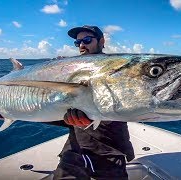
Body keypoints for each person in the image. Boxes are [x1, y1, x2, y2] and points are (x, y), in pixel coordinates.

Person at [47, 25, 135, 179]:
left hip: (109, 152)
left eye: (87, 40)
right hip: (75, 150)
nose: (82, 45)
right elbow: (58, 111)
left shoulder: (115, 69)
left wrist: (88, 117)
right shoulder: (73, 71)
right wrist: (8, 112)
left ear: (101, 41)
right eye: (78, 42)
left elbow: (122, 107)